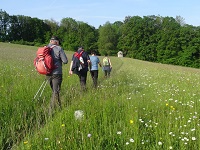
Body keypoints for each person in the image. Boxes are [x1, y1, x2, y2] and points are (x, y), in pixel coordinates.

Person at [46, 36, 68, 115]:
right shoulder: (58, 48)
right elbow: (65, 61)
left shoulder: (45, 48)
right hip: (57, 73)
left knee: (55, 91)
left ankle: (59, 106)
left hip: (47, 73)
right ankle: (50, 111)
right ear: (56, 41)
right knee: (56, 91)